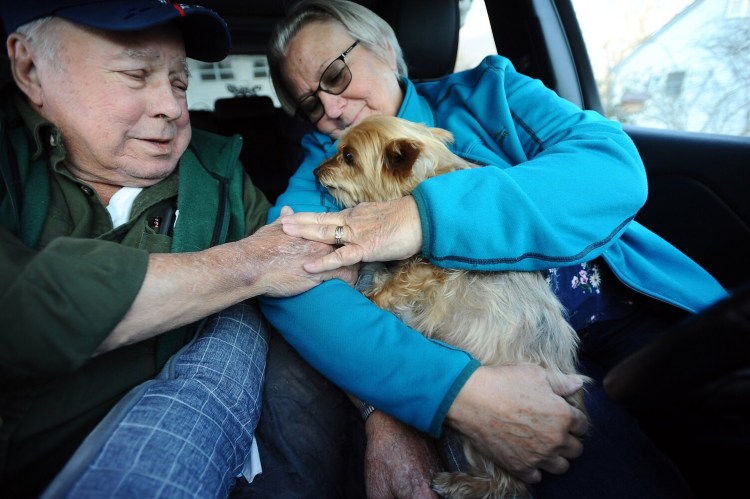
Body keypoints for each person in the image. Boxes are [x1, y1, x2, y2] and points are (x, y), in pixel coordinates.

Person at [253, 0, 728, 497]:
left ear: (387, 50)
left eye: (335, 74)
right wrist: (453, 390)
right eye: (309, 104)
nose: (329, 108)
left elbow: (611, 167)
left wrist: (424, 217)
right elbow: (292, 282)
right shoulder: (323, 170)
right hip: (503, 355)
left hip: (630, 305)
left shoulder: (490, 93)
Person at [0, 1, 357, 498]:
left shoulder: (221, 171)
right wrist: (248, 264)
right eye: (134, 73)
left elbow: (318, 278)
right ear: (30, 69)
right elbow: (19, 309)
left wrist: (384, 411)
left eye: (180, 82)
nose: (171, 106)